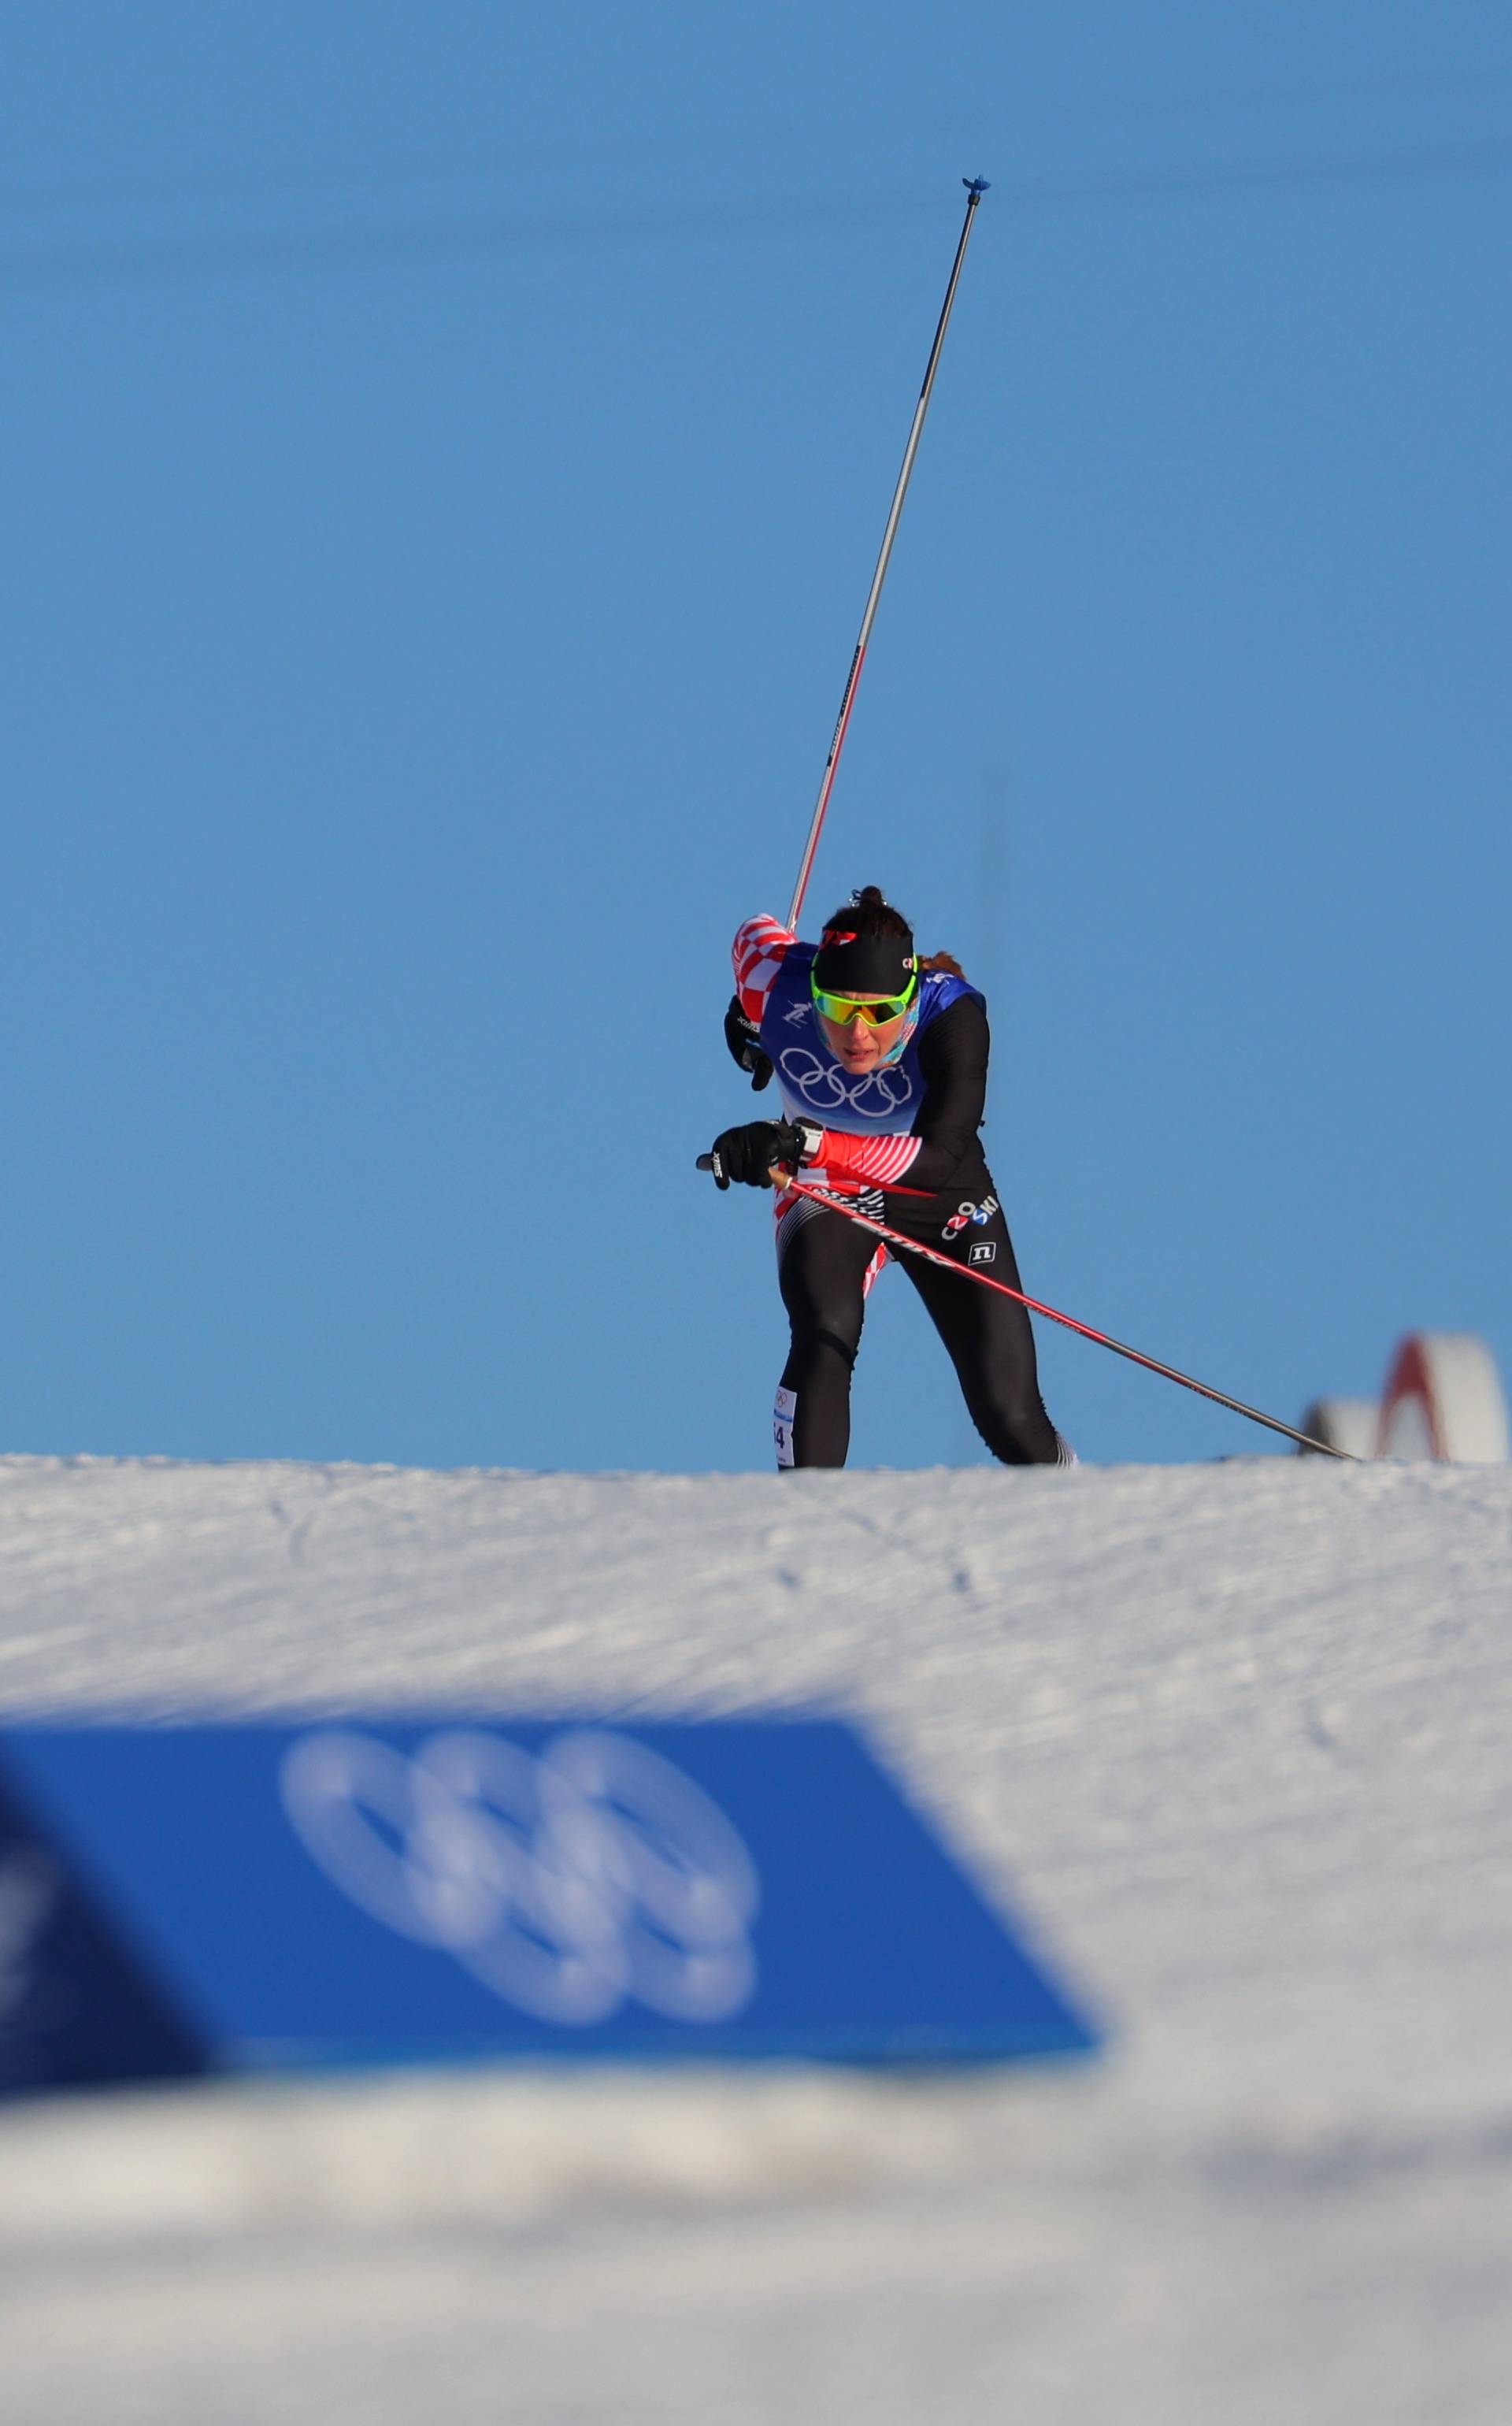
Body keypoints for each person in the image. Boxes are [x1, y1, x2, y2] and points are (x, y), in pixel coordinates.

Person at [707, 885, 1073, 1470]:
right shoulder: (770, 978)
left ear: (908, 998)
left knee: (1009, 1415)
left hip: (935, 1187)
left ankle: (1087, 1527)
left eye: (879, 1013)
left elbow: (938, 1158)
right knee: (825, 1328)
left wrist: (798, 1141)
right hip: (827, 1188)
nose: (857, 1034)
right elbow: (756, 926)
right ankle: (807, 1519)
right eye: (836, 1008)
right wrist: (748, 1019)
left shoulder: (952, 1016)